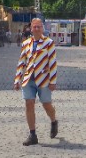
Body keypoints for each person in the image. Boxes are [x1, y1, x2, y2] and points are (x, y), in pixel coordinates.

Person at [13, 18, 59, 146]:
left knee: (46, 105)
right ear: (31, 28)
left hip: (44, 80)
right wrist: (17, 79)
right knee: (29, 104)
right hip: (28, 80)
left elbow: (53, 63)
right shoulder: (26, 43)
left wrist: (53, 81)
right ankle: (32, 134)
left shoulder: (49, 43)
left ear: (42, 28)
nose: (37, 29)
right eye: (35, 27)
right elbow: (22, 62)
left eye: (39, 27)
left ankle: (54, 121)